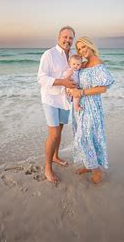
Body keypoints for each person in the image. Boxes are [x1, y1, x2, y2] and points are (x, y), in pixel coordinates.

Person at [69, 36, 115, 184]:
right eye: (79, 49)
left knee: (86, 136)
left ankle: (97, 171)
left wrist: (81, 93)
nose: (82, 51)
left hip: (92, 107)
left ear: (90, 46)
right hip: (80, 106)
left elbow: (103, 88)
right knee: (81, 135)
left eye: (84, 47)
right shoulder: (83, 64)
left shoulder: (98, 64)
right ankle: (88, 165)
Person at [37, 26, 78, 183]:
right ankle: (47, 167)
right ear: (58, 37)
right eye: (65, 37)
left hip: (64, 99)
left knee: (60, 130)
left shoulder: (71, 57)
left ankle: (55, 156)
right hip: (50, 99)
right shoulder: (49, 54)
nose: (68, 40)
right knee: (53, 133)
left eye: (70, 38)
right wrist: (63, 82)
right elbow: (41, 78)